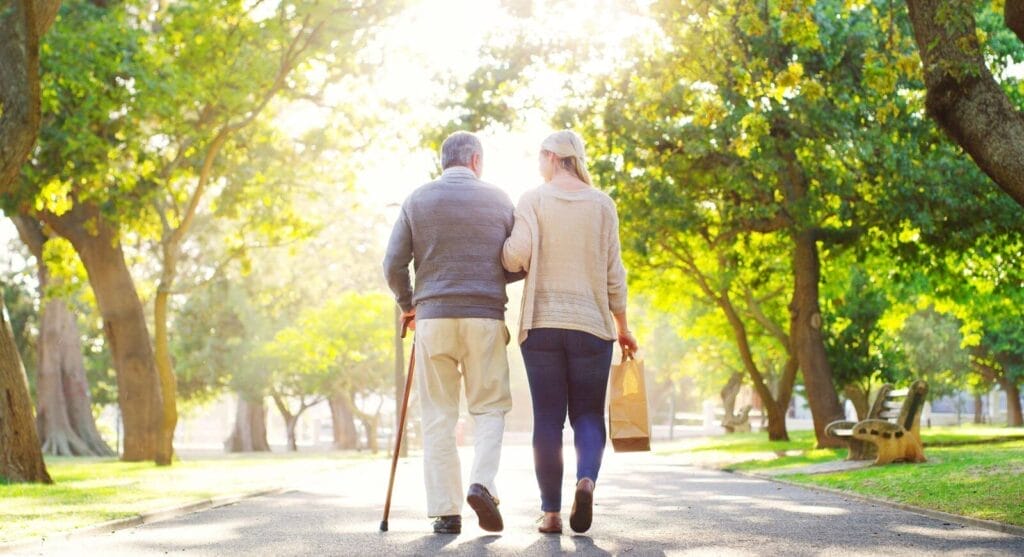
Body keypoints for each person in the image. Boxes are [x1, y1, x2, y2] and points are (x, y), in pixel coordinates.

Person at [383, 131, 521, 535]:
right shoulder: (499, 199)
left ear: (443, 162)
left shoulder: (417, 199)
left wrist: (408, 304)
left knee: (439, 415)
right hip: (484, 317)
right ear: (476, 160)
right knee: (490, 406)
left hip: (433, 318)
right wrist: (492, 274)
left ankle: (446, 512)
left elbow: (392, 264)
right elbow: (518, 260)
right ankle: (482, 483)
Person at [502, 129, 638, 534]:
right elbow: (615, 273)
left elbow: (514, 256)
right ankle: (586, 480)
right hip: (592, 327)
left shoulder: (533, 199)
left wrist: (507, 246)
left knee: (547, 418)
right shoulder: (602, 205)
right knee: (588, 415)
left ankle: (551, 514)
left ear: (549, 156)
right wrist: (624, 326)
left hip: (541, 325)